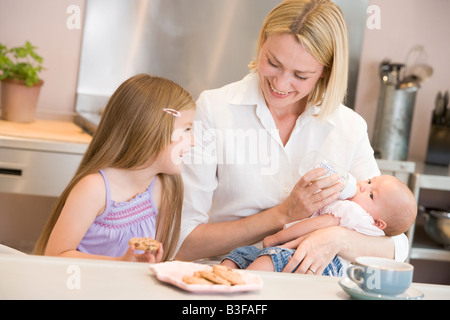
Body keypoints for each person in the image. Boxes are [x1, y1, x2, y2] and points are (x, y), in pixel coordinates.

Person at [176, 0, 411, 276]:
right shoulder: (215, 109)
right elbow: (182, 242)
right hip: (227, 280)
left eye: (301, 75)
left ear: (326, 70)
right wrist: (283, 214)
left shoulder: (348, 127)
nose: (280, 84)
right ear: (262, 43)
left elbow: (395, 243)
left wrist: (337, 237)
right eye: (273, 63)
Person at [34, 74, 196, 262]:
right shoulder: (94, 189)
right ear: (151, 129)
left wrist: (145, 261)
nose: (193, 141)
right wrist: (121, 263)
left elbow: (156, 259)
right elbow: (56, 255)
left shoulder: (165, 187)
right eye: (186, 130)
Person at [221, 175, 417, 275]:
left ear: (378, 222)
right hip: (303, 255)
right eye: (369, 181)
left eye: (372, 194)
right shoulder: (363, 215)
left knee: (265, 261)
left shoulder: (353, 211)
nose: (363, 186)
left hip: (315, 260)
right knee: (242, 255)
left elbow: (316, 225)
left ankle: (240, 290)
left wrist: (277, 238)